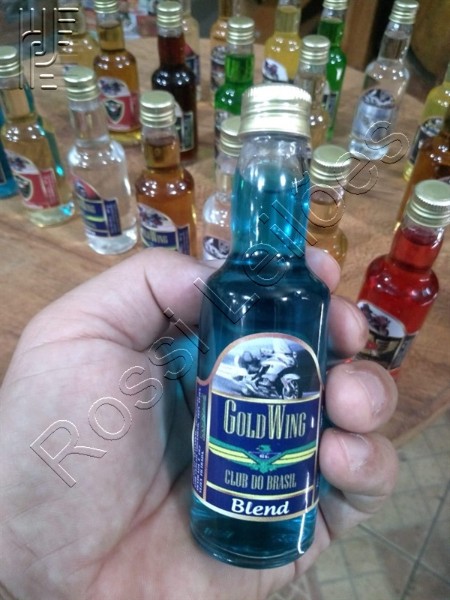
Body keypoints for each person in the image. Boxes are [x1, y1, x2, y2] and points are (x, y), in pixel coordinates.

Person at [0, 247, 398, 600]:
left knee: (347, 406)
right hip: (208, 510)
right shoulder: (226, 288)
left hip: (283, 512)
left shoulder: (295, 293)